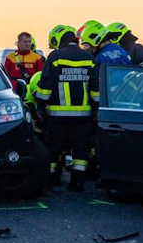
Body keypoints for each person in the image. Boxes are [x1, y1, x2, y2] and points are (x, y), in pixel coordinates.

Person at [35, 25, 98, 192]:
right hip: (83, 117)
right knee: (80, 151)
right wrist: (95, 109)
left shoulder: (55, 57)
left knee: (53, 149)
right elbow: (95, 90)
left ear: (58, 39)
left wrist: (40, 106)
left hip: (58, 116)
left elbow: (45, 86)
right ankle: (77, 182)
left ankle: (50, 180)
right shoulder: (88, 57)